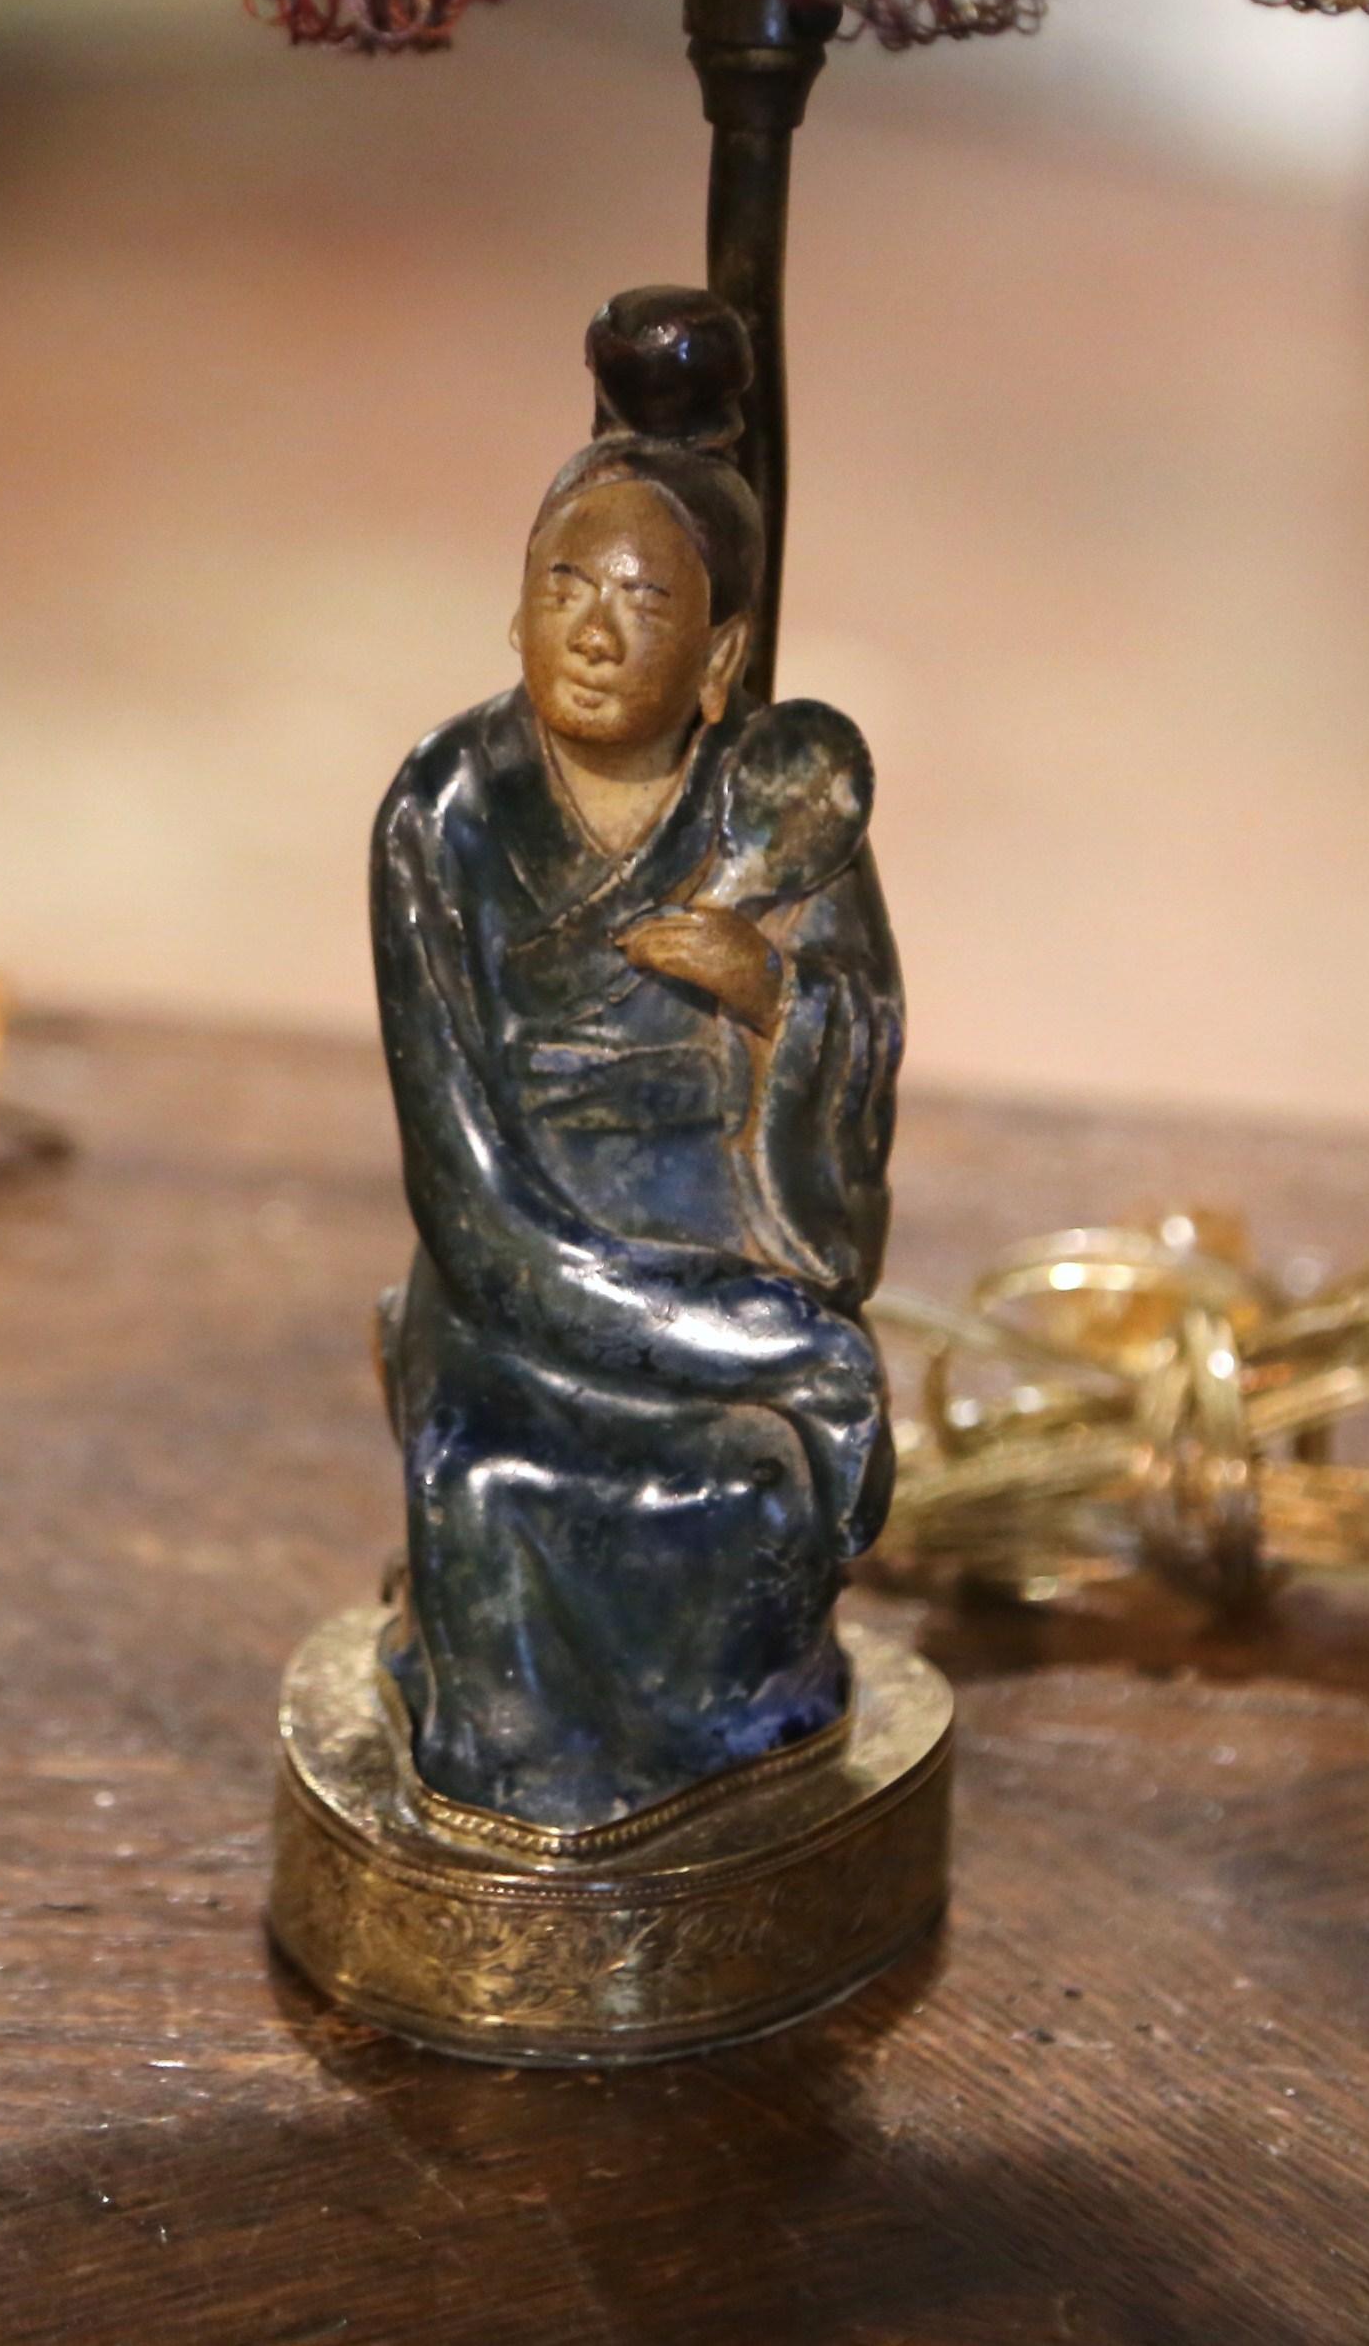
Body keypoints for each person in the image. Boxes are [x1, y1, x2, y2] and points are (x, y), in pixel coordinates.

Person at [371, 287, 904, 1832]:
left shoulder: (776, 817)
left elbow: (851, 1063)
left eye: (649, 604)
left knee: (749, 1492)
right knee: (500, 1496)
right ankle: (506, 1797)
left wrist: (768, 994)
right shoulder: (447, 816)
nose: (597, 633)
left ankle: (740, 1768)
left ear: (725, 650)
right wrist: (780, 1355)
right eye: (563, 587)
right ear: (514, 604)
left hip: (718, 1267)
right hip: (518, 1313)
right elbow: (468, 1202)